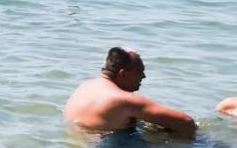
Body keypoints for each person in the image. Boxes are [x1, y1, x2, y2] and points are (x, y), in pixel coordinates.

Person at [63, 48, 196, 137]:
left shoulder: (85, 85)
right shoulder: (124, 100)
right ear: (123, 74)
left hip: (79, 146)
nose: (143, 77)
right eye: (140, 72)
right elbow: (187, 122)